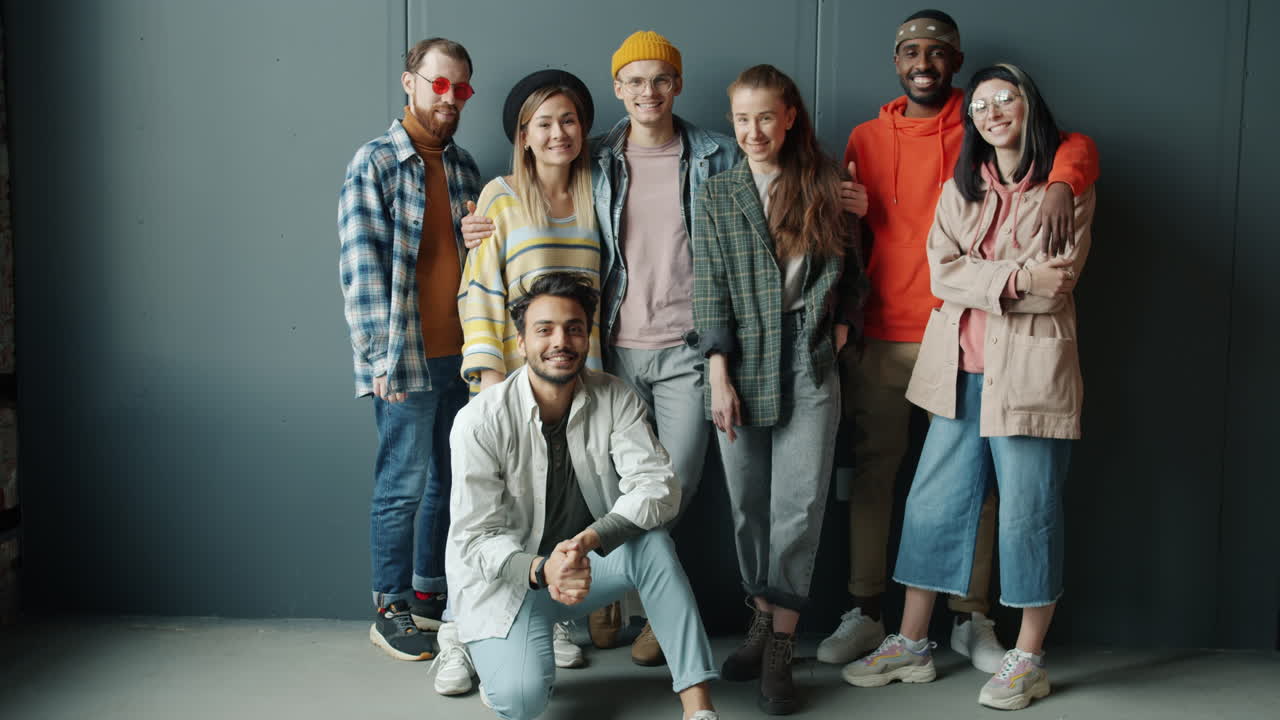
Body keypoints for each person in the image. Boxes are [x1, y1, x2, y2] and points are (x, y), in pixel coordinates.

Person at [461, 31, 866, 665]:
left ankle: (644, 597)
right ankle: (602, 602)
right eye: (635, 81)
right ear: (619, 90)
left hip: (694, 347)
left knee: (667, 484)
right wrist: (483, 210)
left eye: (661, 80)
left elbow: (777, 188)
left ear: (676, 85)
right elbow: (534, 178)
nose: (649, 93)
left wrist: (841, 199)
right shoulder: (595, 156)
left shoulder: (720, 153)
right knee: (598, 480)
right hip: (609, 347)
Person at [819, 8, 1099, 674]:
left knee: (1010, 502)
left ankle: (992, 633)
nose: (923, 63)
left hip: (1012, 360)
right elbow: (929, 262)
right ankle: (888, 625)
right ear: (895, 60)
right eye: (910, 51)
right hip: (921, 348)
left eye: (1006, 99)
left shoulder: (1025, 163)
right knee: (908, 490)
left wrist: (1060, 184)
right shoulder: (899, 155)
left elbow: (1055, 271)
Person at [447, 272, 721, 720]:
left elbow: (659, 487)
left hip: (581, 568)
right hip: (511, 583)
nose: (561, 341)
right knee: (520, 700)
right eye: (545, 329)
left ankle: (699, 710)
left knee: (652, 546)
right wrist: (541, 569)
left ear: (586, 337)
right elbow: (476, 538)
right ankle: (491, 654)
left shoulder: (614, 396)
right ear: (521, 342)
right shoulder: (479, 420)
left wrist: (587, 542)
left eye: (574, 328)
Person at [692, 64, 863, 715]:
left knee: (798, 504)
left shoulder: (827, 183)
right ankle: (760, 622)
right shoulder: (717, 193)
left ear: (789, 116)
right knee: (747, 506)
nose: (753, 130)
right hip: (739, 360)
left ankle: (781, 647)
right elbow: (708, 288)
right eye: (742, 119)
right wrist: (717, 375)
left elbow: (857, 270)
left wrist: (843, 327)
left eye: (765, 116)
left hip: (810, 356)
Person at [337, 37, 480, 669]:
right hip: (407, 354)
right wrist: (377, 360)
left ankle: (429, 594)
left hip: (463, 353)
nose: (449, 98)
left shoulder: (466, 166)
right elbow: (360, 268)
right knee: (401, 485)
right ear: (410, 82)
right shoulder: (373, 162)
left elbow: (474, 264)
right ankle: (388, 607)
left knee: (451, 485)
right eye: (438, 84)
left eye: (460, 88)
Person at [455, 69, 602, 671]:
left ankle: (548, 616)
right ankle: (461, 636)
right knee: (495, 511)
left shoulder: (599, 194)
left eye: (567, 120)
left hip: (578, 380)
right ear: (523, 134)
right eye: (543, 122)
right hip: (512, 380)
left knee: (562, 505)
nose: (557, 132)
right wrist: (490, 382)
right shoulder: (501, 196)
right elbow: (480, 291)